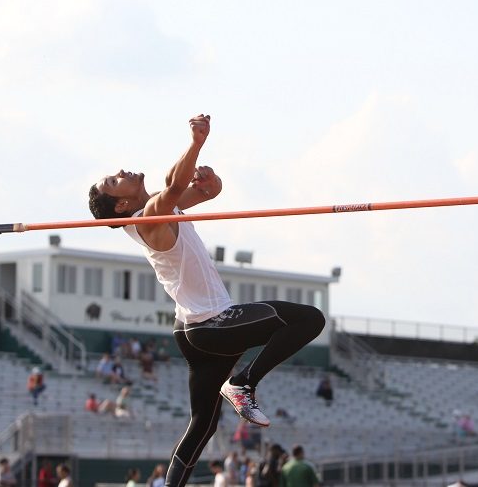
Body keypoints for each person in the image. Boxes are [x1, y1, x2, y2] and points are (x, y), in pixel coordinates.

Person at [87, 114, 325, 487]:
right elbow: (174, 185)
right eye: (113, 181)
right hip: (211, 323)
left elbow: (202, 192)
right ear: (119, 206)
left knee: (203, 424)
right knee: (309, 319)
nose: (121, 171)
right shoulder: (148, 219)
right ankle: (243, 383)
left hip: (193, 329)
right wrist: (197, 142)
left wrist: (212, 182)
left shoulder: (158, 206)